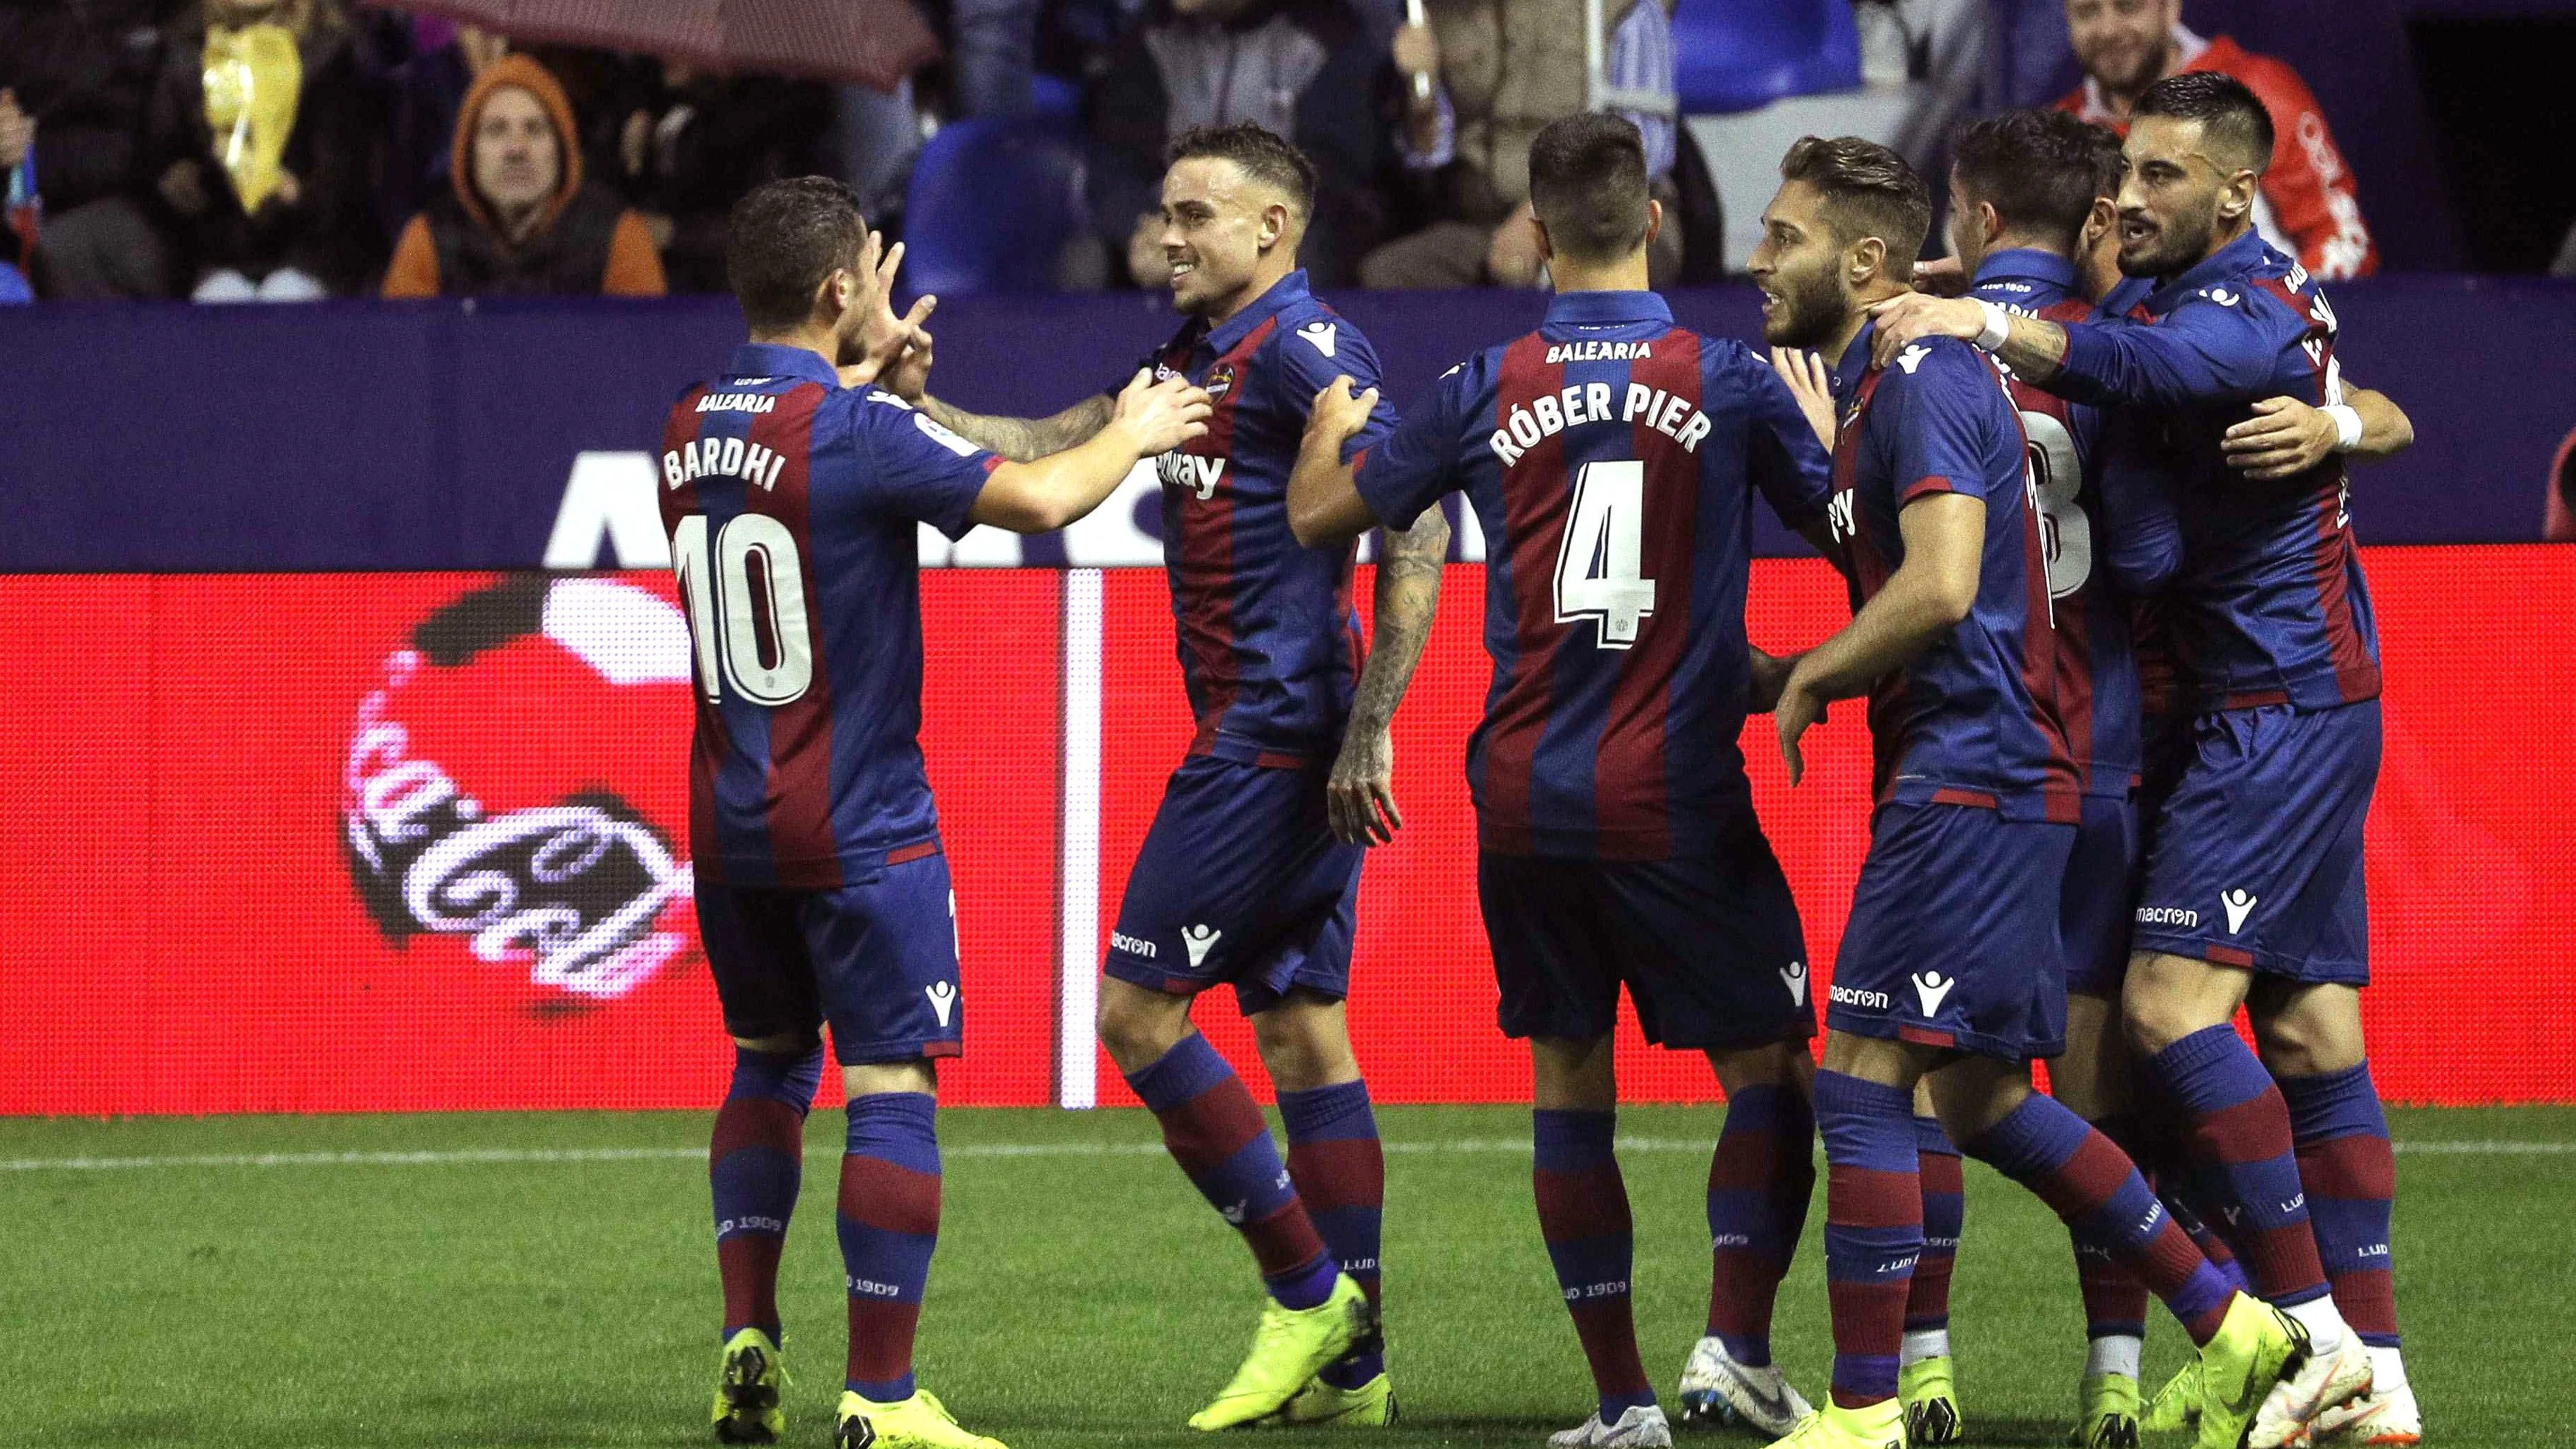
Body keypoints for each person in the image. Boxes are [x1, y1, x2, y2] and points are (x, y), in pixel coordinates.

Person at [1743, 132, 2320, 1449]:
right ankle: (2234, 1330)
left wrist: (1808, 678)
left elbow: (1945, 583)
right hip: (1998, 766)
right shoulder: (1896, 376)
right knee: (1990, 1099)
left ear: (1871, 259)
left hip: (1975, 768)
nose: (1762, 259)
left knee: (1861, 1076)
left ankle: (1866, 1407)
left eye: (1785, 237)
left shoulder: (1932, 372)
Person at [1872, 70, 2414, 1446]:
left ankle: (2309, 1343)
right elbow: (2374, 409)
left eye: (2162, 175)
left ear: (2236, 190)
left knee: (2170, 1018)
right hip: (2259, 704)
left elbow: (2155, 374)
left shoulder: (2223, 314)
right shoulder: (2184, 293)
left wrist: (1982, 318)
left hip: (2268, 707)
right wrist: (2347, 423)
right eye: (2121, 176)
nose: (2130, 195)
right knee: (2302, 1027)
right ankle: (2380, 1378)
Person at [1288, 111, 1845, 1449]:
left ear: (1534, 232)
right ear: (1653, 214)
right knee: (1770, 1070)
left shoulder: (1484, 379)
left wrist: (1323, 436)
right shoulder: (1731, 377)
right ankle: (1738, 1351)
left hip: (1526, 793)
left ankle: (1621, 1405)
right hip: (1678, 797)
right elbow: (1867, 543)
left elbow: (1325, 515)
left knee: (1566, 1078)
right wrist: (1788, 658)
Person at [879, 122, 1446, 1431]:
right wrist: (918, 409)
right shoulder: (1196, 357)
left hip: (1274, 736)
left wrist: (1371, 727)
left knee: (1138, 1016)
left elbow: (1411, 512)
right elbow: (1047, 439)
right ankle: (1355, 1377)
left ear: (1272, 232)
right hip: (1281, 735)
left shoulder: (1310, 352)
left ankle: (1310, 1297)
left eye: (1197, 214)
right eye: (1165, 211)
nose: (1169, 235)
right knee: (1303, 1034)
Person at [667, 175, 1210, 1449]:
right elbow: (1040, 499)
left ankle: (748, 1333)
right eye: (866, 264)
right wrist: (1133, 428)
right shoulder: (851, 433)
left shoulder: (687, 422)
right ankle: (883, 1396)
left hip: (728, 824)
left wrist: (865, 374)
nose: (877, 277)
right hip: (856, 823)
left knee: (763, 1063)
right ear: (834, 291)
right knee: (888, 1081)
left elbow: (797, 451)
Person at [1359, 0, 1678, 289]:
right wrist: (1421, 100)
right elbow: (1431, 156)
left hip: (1608, 221)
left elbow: (1642, 150)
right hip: (1487, 224)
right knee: (1387, 278)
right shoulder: (1445, 10)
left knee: (1600, 282)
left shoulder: (1627, 8)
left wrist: (1540, 213)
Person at [2053, 0, 2374, 280]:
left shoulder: (2258, 93)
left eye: (2129, 7)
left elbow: (2343, 243)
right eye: (2087, 11)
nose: (2108, 30)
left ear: (2171, 7)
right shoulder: (2061, 132)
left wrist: (2277, 327)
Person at [1085, 0, 1389, 288]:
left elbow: (1328, 179)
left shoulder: (1325, 35)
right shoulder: (1152, 36)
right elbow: (1115, 164)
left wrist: (1213, 240)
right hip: (1166, 231)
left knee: (1307, 257)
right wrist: (1145, 231)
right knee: (1085, 260)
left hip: (1270, 233)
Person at [381, 53, 663, 298]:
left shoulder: (618, 237)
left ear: (562, 152)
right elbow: (398, 353)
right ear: (469, 155)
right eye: (496, 130)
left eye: (535, 129)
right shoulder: (428, 239)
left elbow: (644, 355)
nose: (516, 148)